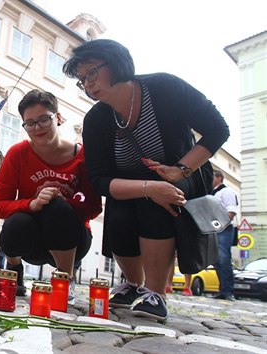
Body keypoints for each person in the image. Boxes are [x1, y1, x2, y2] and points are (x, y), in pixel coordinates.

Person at [63, 39, 229, 321]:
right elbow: (100, 179)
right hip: (131, 184)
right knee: (125, 202)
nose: (87, 84)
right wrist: (146, 187)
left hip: (182, 175)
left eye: (91, 73)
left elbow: (217, 129)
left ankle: (155, 293)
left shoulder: (166, 87)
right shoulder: (96, 120)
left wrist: (180, 170)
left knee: (157, 196)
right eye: (81, 80)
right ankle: (132, 284)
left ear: (116, 63)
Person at [0, 89, 102, 298]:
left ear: (58, 118)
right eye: (30, 123)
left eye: (44, 119)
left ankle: (64, 278)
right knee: (16, 222)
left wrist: (66, 202)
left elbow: (94, 207)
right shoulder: (17, 154)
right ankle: (14, 269)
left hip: (72, 240)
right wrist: (31, 204)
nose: (37, 128)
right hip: (32, 240)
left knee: (57, 207)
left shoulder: (82, 156)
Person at [212, 169, 238, 301]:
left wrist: (219, 226)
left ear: (218, 178)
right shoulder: (213, 193)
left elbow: (231, 212)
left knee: (223, 259)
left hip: (224, 228)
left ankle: (228, 291)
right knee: (216, 260)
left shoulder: (226, 191)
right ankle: (223, 289)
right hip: (214, 229)